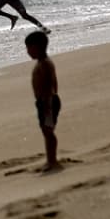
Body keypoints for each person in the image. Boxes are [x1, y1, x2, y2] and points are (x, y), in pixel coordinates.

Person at [26, 30, 61, 172]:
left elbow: (49, 84)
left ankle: (52, 161)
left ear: (38, 47)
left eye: (29, 48)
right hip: (44, 101)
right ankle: (50, 159)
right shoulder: (42, 62)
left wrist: (47, 102)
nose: (28, 52)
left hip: (48, 101)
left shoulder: (45, 64)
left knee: (48, 132)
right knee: (46, 131)